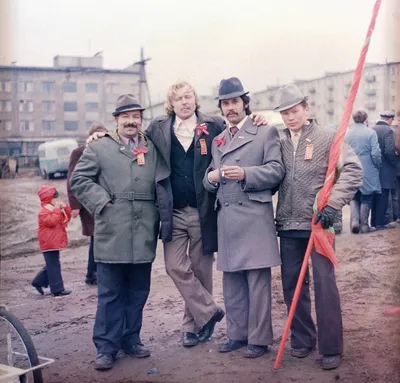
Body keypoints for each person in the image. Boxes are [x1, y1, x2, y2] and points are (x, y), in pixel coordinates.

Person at [88, 81, 267, 348]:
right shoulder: (158, 127)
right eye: (178, 98)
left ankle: (191, 327)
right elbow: (129, 136)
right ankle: (209, 312)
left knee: (200, 270)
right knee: (174, 266)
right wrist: (98, 136)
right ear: (170, 104)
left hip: (203, 210)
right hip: (171, 211)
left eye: (188, 97)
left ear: (195, 99)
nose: (184, 102)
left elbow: (237, 127)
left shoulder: (214, 124)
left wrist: (256, 118)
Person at [70, 94, 169, 371]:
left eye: (136, 116)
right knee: (110, 293)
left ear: (141, 120)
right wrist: (102, 202)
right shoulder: (100, 147)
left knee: (138, 291)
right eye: (125, 116)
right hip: (112, 231)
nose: (131, 121)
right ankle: (106, 347)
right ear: (116, 120)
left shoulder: (152, 147)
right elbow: (78, 180)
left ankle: (131, 339)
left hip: (144, 232)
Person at [274, 84, 363, 370]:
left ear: (306, 109)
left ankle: (330, 347)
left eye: (294, 111)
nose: (290, 117)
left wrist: (333, 205)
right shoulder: (278, 140)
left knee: (325, 283)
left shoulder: (327, 137)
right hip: (288, 224)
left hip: (319, 224)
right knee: (291, 285)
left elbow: (353, 169)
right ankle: (302, 339)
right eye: (285, 113)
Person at [204, 78, 285, 358]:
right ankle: (237, 335)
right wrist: (210, 179)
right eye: (225, 103)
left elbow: (276, 170)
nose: (230, 108)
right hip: (227, 219)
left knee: (257, 282)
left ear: (245, 103)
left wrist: (247, 174)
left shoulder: (265, 131)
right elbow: (210, 175)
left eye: (235, 102)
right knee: (232, 281)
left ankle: (259, 339)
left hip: (253, 216)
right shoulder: (219, 140)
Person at [67, 121, 108, 285]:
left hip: (103, 200)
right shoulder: (79, 153)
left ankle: (94, 273)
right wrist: (75, 205)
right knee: (96, 237)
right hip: (87, 203)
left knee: (99, 237)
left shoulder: (107, 151)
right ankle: (92, 274)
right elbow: (72, 179)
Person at [31, 186, 72, 297]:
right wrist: (58, 209)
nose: (57, 201)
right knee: (53, 265)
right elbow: (52, 221)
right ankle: (57, 289)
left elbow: (67, 217)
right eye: (55, 199)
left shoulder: (54, 209)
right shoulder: (44, 212)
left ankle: (38, 281)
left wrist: (65, 207)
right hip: (48, 243)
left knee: (52, 264)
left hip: (54, 242)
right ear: (48, 199)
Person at [345, 110, 381, 233]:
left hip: (351, 168)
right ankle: (364, 226)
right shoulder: (371, 133)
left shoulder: (348, 134)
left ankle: (354, 222)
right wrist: (378, 165)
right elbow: (375, 153)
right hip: (368, 169)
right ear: (365, 119)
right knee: (367, 197)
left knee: (354, 196)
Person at [371, 111, 398, 229]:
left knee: (375, 196)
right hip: (386, 168)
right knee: (384, 195)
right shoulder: (388, 131)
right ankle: (380, 223)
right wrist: (395, 162)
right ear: (390, 119)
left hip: (374, 168)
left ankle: (373, 222)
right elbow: (389, 151)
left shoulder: (372, 129)